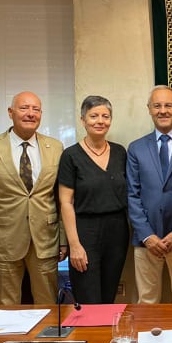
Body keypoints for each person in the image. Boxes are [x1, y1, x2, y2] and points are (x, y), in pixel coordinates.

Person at [0, 91, 66, 305]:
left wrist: (63, 239)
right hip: (4, 239)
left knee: (49, 305)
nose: (30, 114)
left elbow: (61, 198)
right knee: (6, 305)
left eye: (36, 109)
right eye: (24, 108)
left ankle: (48, 340)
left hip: (45, 239)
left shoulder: (55, 147)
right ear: (11, 112)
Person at [127, 86, 172, 304]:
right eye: (157, 105)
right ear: (149, 109)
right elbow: (132, 194)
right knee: (147, 302)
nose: (163, 110)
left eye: (168, 105)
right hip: (146, 240)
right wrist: (147, 235)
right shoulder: (136, 148)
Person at [58, 95, 129, 304]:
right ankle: (90, 336)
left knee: (109, 296)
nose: (100, 121)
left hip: (117, 231)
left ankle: (107, 336)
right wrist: (74, 245)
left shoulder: (119, 152)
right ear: (83, 120)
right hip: (85, 232)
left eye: (105, 116)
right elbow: (66, 202)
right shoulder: (71, 155)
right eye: (94, 116)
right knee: (88, 298)